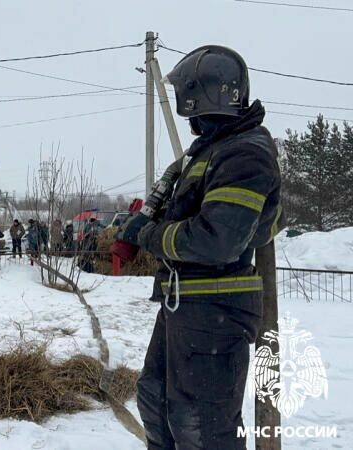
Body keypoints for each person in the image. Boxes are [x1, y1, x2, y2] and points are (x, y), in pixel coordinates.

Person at [115, 45, 283, 449]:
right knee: (156, 401)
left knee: (201, 425)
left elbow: (217, 240)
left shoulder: (245, 154)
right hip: (186, 305)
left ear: (202, 97)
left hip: (215, 310)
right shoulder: (212, 150)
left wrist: (148, 235)